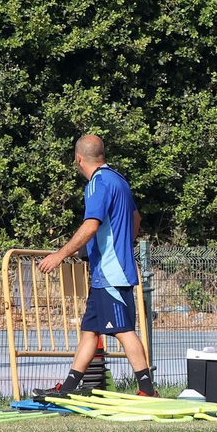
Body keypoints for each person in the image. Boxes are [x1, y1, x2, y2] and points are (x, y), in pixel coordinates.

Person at [32, 135, 154, 399]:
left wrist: (60, 255)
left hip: (111, 272)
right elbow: (136, 218)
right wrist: (122, 244)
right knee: (90, 332)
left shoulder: (97, 183)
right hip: (106, 272)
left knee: (123, 331)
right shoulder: (119, 180)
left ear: (78, 158)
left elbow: (91, 225)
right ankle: (67, 389)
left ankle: (147, 390)